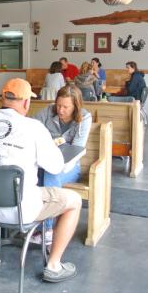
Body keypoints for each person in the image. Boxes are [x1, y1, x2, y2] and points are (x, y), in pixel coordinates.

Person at [0, 78, 81, 283]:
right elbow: (56, 167)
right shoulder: (34, 128)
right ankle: (53, 265)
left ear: (3, 98)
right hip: (21, 210)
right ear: (26, 103)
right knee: (74, 201)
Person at [33, 85, 91, 242]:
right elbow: (30, 130)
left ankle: (46, 228)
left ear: (75, 106)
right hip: (42, 163)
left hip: (69, 166)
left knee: (51, 173)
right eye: (58, 105)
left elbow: (76, 149)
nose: (60, 110)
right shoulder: (47, 111)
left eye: (66, 107)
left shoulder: (84, 118)